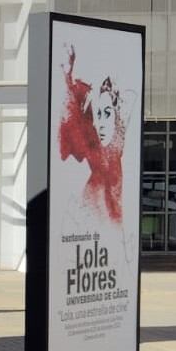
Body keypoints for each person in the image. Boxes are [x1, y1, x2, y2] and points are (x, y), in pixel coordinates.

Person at [58, 46, 127, 222]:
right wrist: (67, 76)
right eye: (98, 115)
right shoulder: (95, 148)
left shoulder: (117, 141)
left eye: (107, 114)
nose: (102, 124)